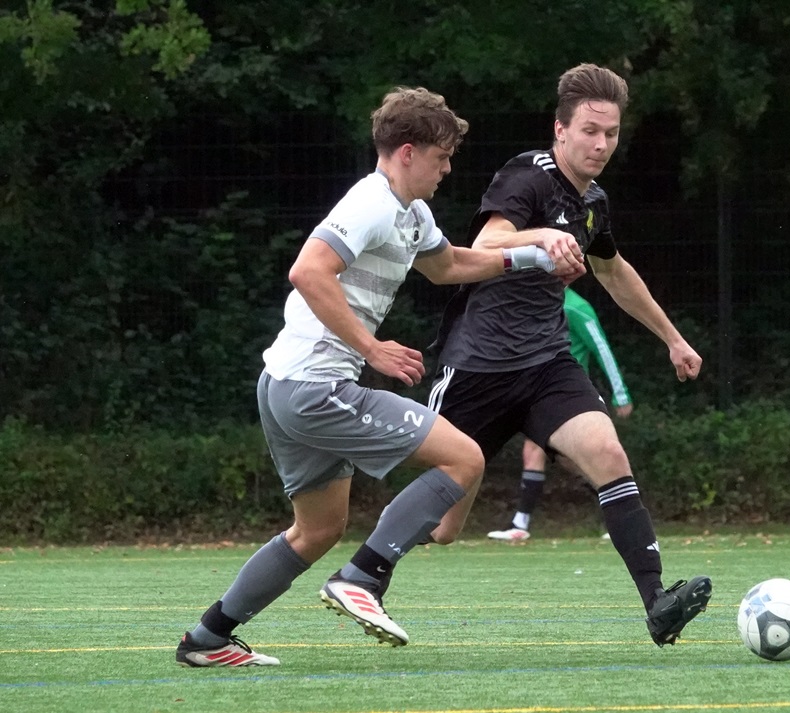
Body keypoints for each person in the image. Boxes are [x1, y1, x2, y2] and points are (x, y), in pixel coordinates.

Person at [175, 86, 576, 667]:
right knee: (464, 459)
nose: (447, 169)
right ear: (408, 152)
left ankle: (207, 639)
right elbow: (308, 270)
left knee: (317, 531)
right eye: (441, 157)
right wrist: (371, 349)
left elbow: (450, 266)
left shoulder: (411, 213)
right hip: (315, 388)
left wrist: (531, 255)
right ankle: (363, 577)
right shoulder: (372, 203)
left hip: (285, 386)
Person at [421, 62, 712, 648]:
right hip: (478, 367)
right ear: (560, 130)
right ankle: (363, 575)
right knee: (444, 526)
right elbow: (487, 242)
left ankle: (658, 602)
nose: (601, 144)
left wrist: (673, 338)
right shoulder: (527, 175)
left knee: (606, 451)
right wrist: (542, 235)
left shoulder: (593, 202)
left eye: (611, 133)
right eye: (590, 131)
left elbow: (615, 272)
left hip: (546, 366)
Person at [488, 286, 633, 542]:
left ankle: (626, 512)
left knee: (576, 460)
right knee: (541, 453)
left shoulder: (575, 307)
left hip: (570, 396)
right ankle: (520, 524)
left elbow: (602, 348)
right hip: (540, 394)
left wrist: (621, 394)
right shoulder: (535, 301)